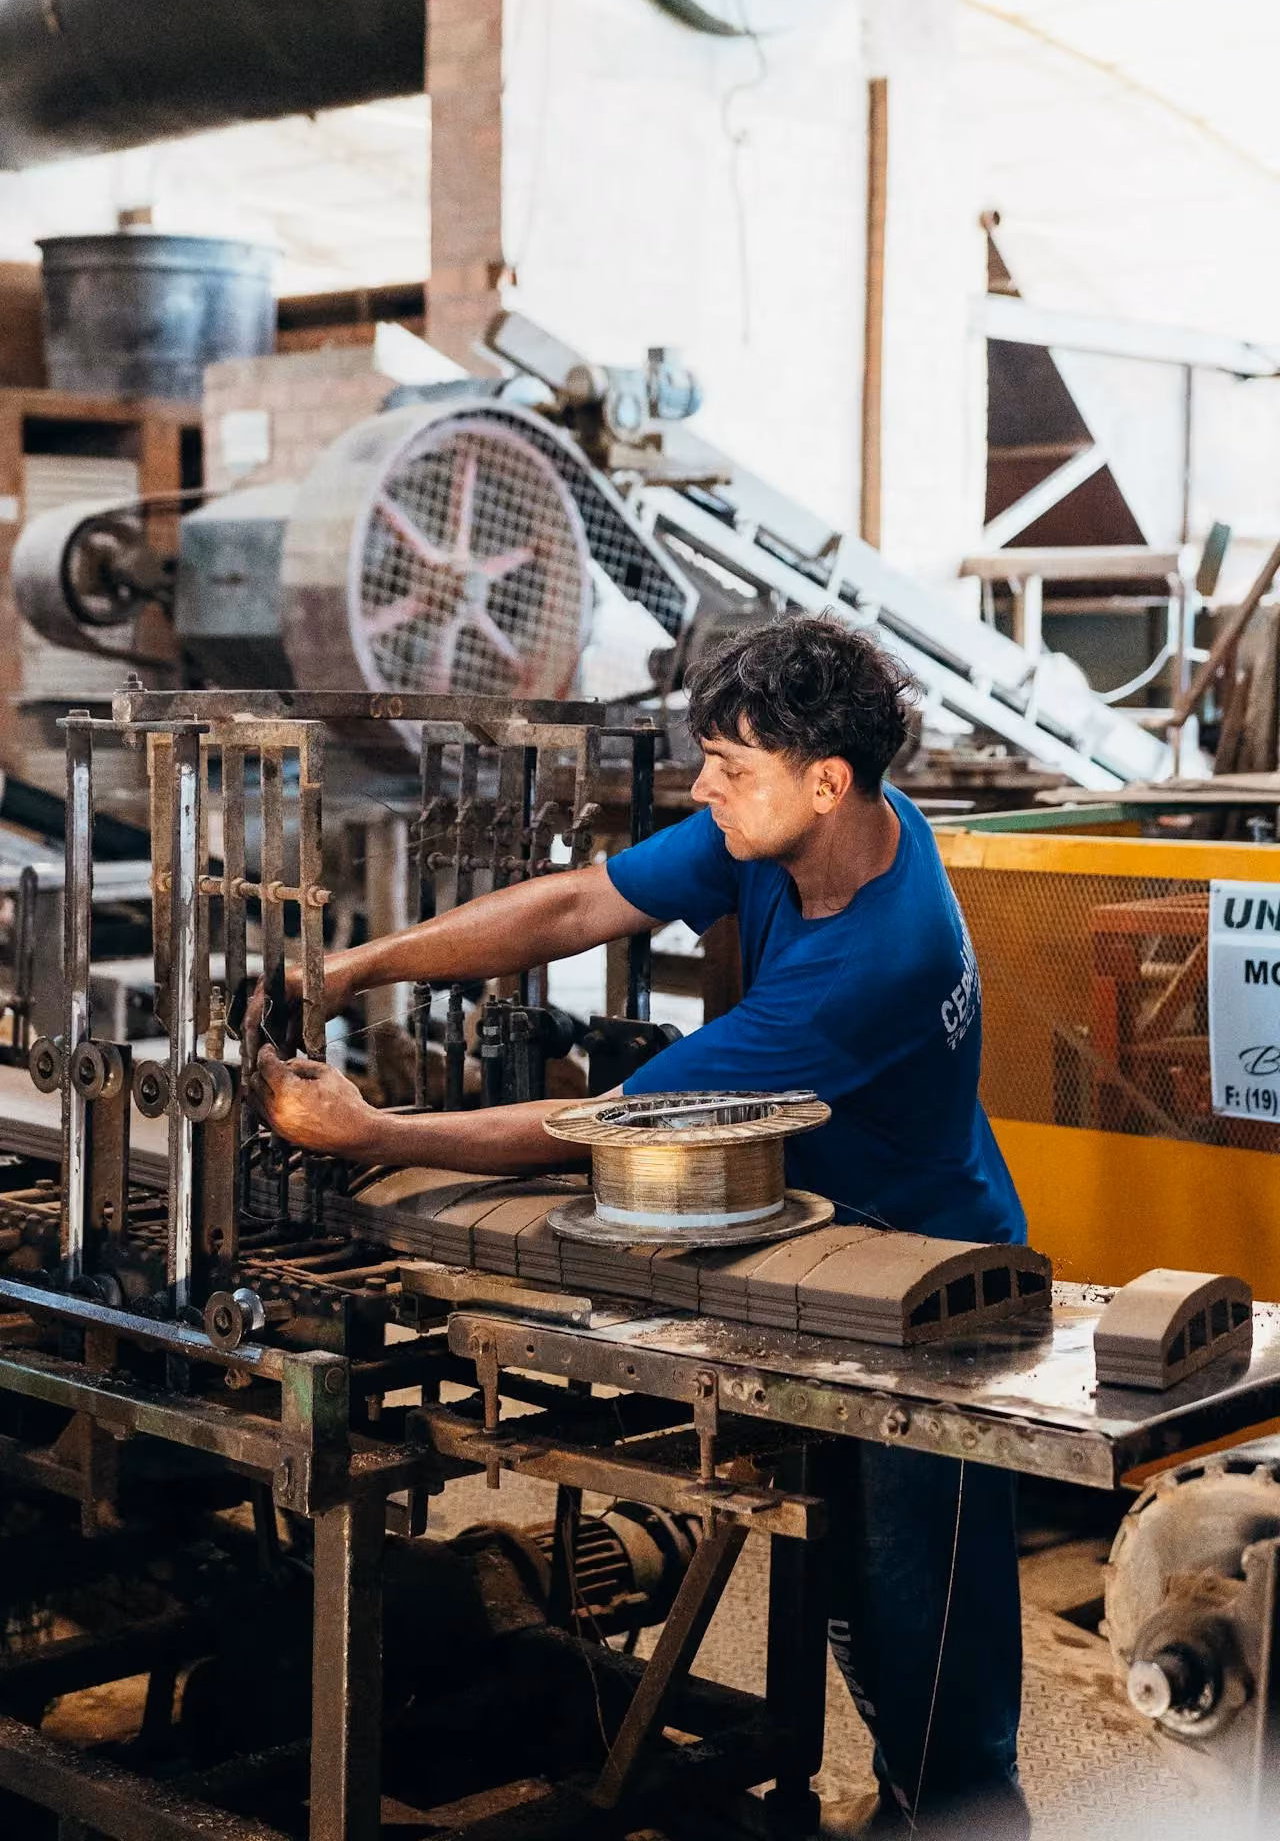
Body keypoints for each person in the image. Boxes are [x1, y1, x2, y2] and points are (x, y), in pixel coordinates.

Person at [248, 613, 1029, 1837]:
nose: (702, 788)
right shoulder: (806, 831)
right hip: (824, 1242)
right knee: (844, 1589)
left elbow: (611, 1121)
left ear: (824, 783)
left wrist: (373, 1133)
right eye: (705, 759)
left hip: (925, 1289)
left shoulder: (877, 962)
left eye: (729, 769)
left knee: (922, 1624)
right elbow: (578, 904)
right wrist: (350, 969)